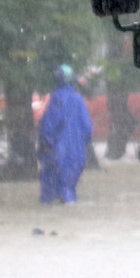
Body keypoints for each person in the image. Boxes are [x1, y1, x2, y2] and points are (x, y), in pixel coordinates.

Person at [37, 64, 93, 205]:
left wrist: (45, 143)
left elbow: (49, 125)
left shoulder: (57, 98)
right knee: (68, 192)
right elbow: (88, 127)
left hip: (56, 152)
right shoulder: (78, 99)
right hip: (77, 154)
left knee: (49, 196)